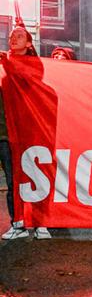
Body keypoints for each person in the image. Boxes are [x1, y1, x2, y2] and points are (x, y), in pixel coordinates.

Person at [1, 26, 51, 240]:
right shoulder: (4, 64)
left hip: (28, 132)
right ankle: (18, 223)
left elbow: (28, 77)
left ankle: (41, 223)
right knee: (13, 180)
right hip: (4, 131)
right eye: (12, 35)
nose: (13, 37)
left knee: (33, 178)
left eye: (20, 35)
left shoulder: (33, 66)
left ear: (30, 44)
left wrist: (7, 63)